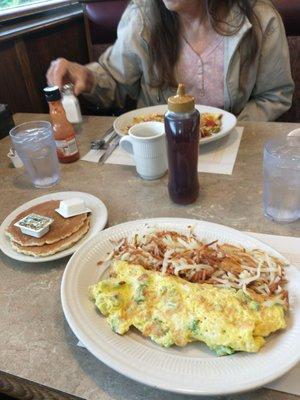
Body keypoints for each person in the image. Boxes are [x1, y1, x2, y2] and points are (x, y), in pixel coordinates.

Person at [46, 0, 294, 121]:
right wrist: (88, 77)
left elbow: (275, 95)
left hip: (234, 150)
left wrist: (231, 129)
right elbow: (114, 82)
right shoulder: (142, 17)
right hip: (159, 152)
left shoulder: (262, 19)